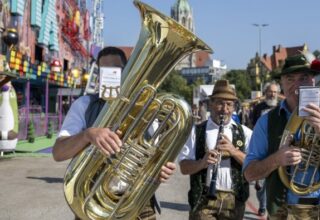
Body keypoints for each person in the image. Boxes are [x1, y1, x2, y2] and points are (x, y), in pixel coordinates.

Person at [52, 47, 176, 220]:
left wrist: (159, 168)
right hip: (93, 203)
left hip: (138, 203)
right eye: (105, 71)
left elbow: (153, 155)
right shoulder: (84, 104)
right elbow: (58, 152)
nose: (112, 74)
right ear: (99, 75)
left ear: (127, 70)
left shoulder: (148, 107)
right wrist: (88, 135)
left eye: (117, 69)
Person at [243, 54, 320, 219]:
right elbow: (249, 174)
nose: (297, 86)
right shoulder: (266, 122)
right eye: (290, 79)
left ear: (313, 81)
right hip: (283, 211)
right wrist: (277, 159)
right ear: (281, 84)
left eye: (304, 78)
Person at [178, 79, 252, 220]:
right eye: (220, 103)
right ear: (210, 104)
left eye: (229, 104)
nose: (225, 109)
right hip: (203, 200)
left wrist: (234, 151)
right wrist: (202, 163)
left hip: (234, 201)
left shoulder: (246, 133)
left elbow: (255, 166)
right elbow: (183, 167)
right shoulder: (196, 131)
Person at [251, 81, 281, 218]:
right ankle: (262, 205)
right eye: (270, 91)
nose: (272, 94)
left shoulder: (282, 107)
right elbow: (252, 127)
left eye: (275, 92)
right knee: (260, 184)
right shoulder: (258, 108)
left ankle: (272, 210)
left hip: (278, 149)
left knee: (276, 183)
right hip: (262, 150)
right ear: (265, 92)